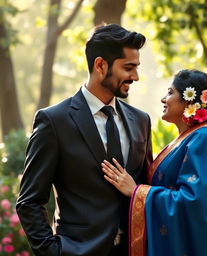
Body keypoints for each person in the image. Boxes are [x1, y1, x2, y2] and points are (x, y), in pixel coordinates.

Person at [16, 24, 153, 256]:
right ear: (100, 65)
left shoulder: (141, 120)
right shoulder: (53, 121)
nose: (135, 76)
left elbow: (146, 186)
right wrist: (54, 252)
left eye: (136, 67)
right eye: (128, 67)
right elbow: (29, 201)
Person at [101, 69, 207, 256]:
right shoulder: (191, 138)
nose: (164, 99)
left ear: (189, 100)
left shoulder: (204, 138)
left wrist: (136, 191)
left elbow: (196, 203)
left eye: (170, 92)